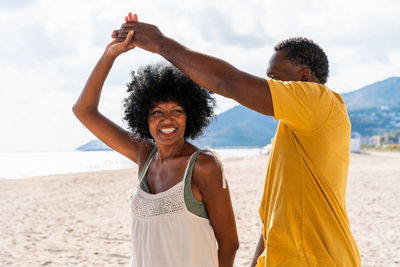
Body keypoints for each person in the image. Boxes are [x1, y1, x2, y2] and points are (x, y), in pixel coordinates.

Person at [114, 12, 362, 267]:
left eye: (275, 77)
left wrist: (160, 43)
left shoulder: (319, 101)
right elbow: (273, 220)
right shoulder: (292, 131)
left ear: (304, 77)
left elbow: (229, 82)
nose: (269, 84)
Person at [72, 25, 239, 267]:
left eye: (177, 111)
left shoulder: (203, 166)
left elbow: (229, 244)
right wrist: (110, 55)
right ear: (144, 117)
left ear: (191, 115)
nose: (167, 120)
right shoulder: (144, 155)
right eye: (157, 112)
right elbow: (84, 111)